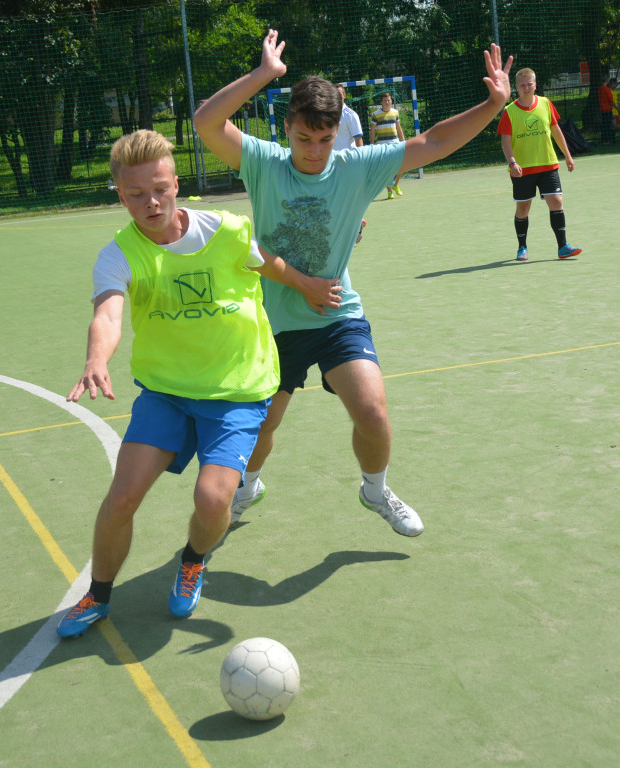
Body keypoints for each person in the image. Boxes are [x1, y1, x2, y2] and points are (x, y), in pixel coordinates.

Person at [192, 29, 513, 538]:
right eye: (303, 139)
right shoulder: (262, 162)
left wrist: (493, 104)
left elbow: (433, 141)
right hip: (272, 323)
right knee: (264, 427)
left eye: (324, 139)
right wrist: (264, 75)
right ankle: (249, 483)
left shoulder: (358, 168)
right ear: (287, 128)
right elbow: (205, 121)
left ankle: (375, 490)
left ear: (338, 130)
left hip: (337, 313)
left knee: (373, 411)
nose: (314, 151)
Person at [56, 130, 341, 637]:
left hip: (236, 390)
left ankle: (192, 560)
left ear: (176, 183)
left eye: (160, 188)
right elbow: (109, 313)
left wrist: (306, 283)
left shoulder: (227, 230)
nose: (151, 202)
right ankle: (98, 595)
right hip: (167, 391)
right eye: (137, 194)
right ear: (119, 194)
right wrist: (96, 358)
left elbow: (266, 261)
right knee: (122, 497)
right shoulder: (118, 254)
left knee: (213, 501)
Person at [498, 68, 582, 262]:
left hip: (548, 164)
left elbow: (556, 130)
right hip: (522, 169)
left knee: (556, 201)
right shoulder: (510, 111)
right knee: (523, 208)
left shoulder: (545, 104)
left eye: (529, 84)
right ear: (516, 87)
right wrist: (512, 162)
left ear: (535, 84)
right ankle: (522, 247)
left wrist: (568, 156)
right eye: (522, 85)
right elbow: (505, 141)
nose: (526, 88)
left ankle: (563, 247)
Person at [370, 91, 405, 198]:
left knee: (401, 166)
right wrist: (372, 145)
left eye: (388, 100)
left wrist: (403, 140)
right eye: (385, 100)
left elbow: (399, 128)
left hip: (395, 143)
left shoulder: (395, 112)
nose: (387, 102)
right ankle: (389, 191)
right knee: (385, 169)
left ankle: (395, 185)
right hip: (382, 145)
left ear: (391, 101)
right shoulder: (376, 115)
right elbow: (372, 131)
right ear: (381, 102)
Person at [333, 84, 364, 151]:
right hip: (332, 158)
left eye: (339, 94)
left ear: (344, 95)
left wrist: (362, 160)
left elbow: (358, 139)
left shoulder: (351, 115)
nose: (337, 96)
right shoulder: (328, 115)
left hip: (348, 158)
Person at [599, 77, 617, 145]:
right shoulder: (607, 89)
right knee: (608, 125)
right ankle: (608, 140)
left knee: (604, 126)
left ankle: (604, 140)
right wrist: (618, 108)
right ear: (607, 80)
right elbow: (611, 101)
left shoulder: (600, 89)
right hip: (607, 110)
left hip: (602, 110)